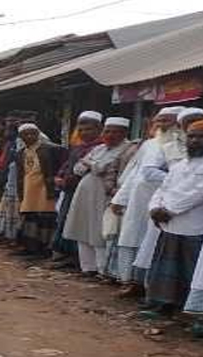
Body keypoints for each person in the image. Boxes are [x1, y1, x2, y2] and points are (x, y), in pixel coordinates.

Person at [142, 120, 203, 319]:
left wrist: (169, 210)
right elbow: (164, 188)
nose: (195, 140)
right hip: (170, 224)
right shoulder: (181, 164)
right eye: (191, 136)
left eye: (201, 136)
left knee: (195, 270)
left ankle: (196, 312)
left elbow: (201, 192)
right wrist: (154, 208)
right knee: (167, 271)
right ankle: (163, 306)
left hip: (198, 225)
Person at [109, 107, 183, 295]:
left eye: (166, 121)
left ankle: (151, 286)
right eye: (158, 121)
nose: (160, 125)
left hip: (165, 199)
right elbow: (134, 172)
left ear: (178, 123)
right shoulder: (149, 144)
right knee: (131, 237)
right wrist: (120, 198)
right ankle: (130, 281)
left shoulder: (183, 145)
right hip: (138, 199)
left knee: (152, 243)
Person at [62, 117, 136, 278]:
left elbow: (102, 168)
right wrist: (91, 165)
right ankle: (88, 268)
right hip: (84, 193)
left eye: (115, 132)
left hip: (104, 194)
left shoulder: (128, 149)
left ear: (124, 133)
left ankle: (103, 269)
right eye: (107, 131)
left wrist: (91, 164)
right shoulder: (99, 148)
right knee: (82, 228)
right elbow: (78, 169)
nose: (110, 135)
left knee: (99, 231)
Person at [49, 112, 105, 269]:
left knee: (83, 225)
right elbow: (67, 165)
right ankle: (66, 255)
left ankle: (77, 260)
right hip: (70, 191)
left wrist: (68, 179)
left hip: (87, 192)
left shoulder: (100, 148)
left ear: (99, 129)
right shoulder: (78, 147)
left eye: (88, 129)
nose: (84, 133)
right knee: (67, 221)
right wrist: (59, 177)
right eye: (81, 130)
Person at [13, 123, 63, 258]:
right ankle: (30, 247)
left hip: (45, 188)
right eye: (26, 134)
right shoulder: (20, 153)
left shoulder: (51, 149)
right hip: (28, 189)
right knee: (29, 218)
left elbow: (62, 165)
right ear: (21, 136)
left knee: (46, 219)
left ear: (38, 134)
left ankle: (45, 249)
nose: (30, 136)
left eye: (33, 133)